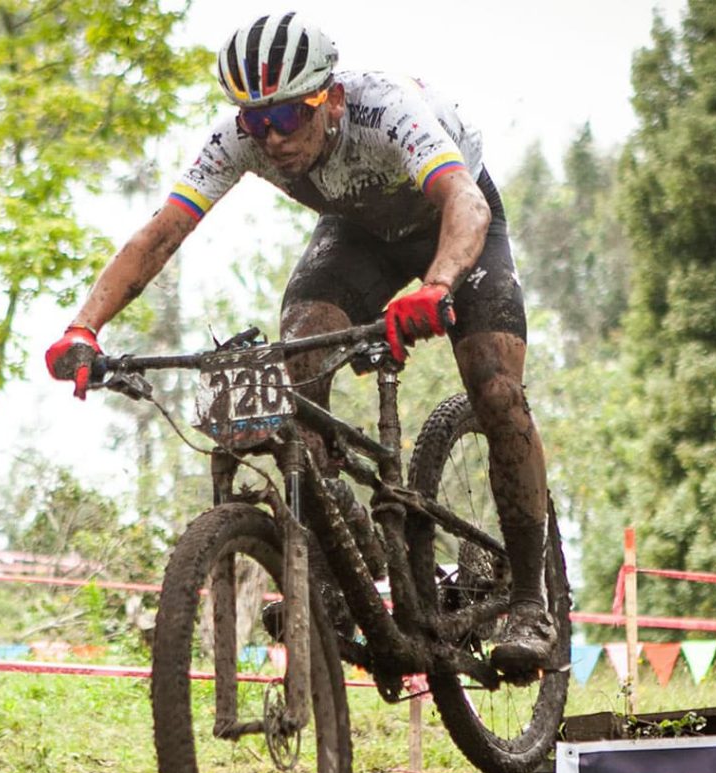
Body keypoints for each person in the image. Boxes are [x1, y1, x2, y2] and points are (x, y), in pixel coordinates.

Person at [45, 11, 555, 677]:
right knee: (297, 361)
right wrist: (84, 328)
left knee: (492, 382)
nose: (271, 136)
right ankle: (349, 564)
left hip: (454, 222)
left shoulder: (385, 109)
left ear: (331, 98)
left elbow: (466, 200)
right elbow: (162, 231)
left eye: (288, 117)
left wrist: (437, 284)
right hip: (358, 233)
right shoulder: (241, 138)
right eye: (256, 121)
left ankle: (529, 598)